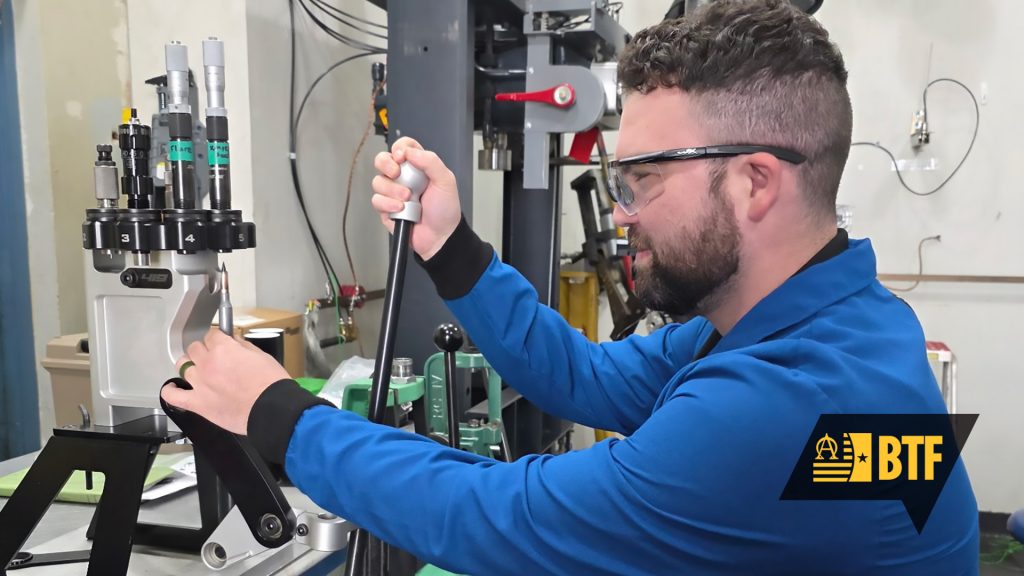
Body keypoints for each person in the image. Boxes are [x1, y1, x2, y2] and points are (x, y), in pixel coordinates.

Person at [161, 0, 979, 573]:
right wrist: (451, 248)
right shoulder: (827, 323)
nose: (622, 213)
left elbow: (503, 520)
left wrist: (279, 415)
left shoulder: (784, 405)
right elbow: (584, 376)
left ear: (755, 183)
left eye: (646, 178)